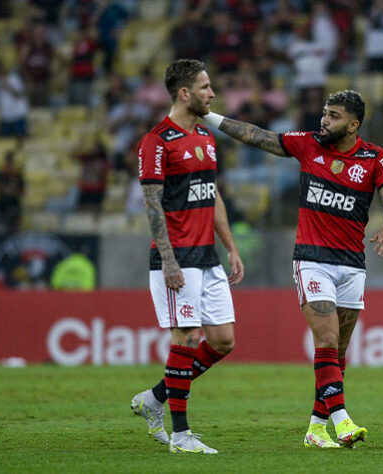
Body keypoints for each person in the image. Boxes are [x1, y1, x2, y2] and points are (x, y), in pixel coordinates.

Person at [201, 89, 383, 449]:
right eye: (325, 113)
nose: (324, 120)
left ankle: (315, 428)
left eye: (334, 116)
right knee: (324, 340)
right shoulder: (308, 145)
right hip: (312, 259)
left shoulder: (375, 157)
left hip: (352, 264)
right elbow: (257, 135)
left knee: (337, 356)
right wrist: (210, 117)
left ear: (354, 124)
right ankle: (342, 421)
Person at [130, 59, 244, 455]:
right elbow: (151, 204)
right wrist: (169, 260)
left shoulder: (207, 139)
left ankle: (156, 397)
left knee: (223, 340)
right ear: (185, 93)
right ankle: (180, 435)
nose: (212, 94)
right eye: (205, 87)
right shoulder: (157, 141)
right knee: (187, 338)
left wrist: (229, 246)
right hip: (177, 257)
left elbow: (212, 197)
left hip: (208, 256)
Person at [0, 151, 25, 233]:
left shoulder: (18, 175)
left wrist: (10, 191)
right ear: (5, 162)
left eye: (10, 162)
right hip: (1, 205)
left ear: (13, 162)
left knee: (14, 228)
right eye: (7, 161)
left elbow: (22, 192)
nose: (9, 164)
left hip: (14, 205)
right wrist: (8, 190)